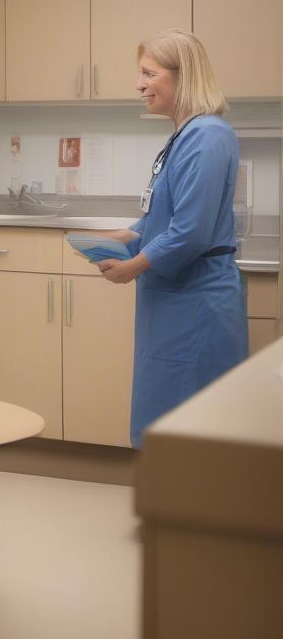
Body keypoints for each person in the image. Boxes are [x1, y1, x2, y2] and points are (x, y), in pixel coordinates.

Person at [95, 30, 247, 448]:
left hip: (195, 302)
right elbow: (163, 216)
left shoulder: (207, 136)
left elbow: (191, 231)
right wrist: (124, 237)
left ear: (183, 76)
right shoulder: (184, 136)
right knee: (164, 413)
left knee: (192, 423)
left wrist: (130, 267)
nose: (138, 84)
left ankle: (195, 513)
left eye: (148, 73)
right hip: (170, 300)